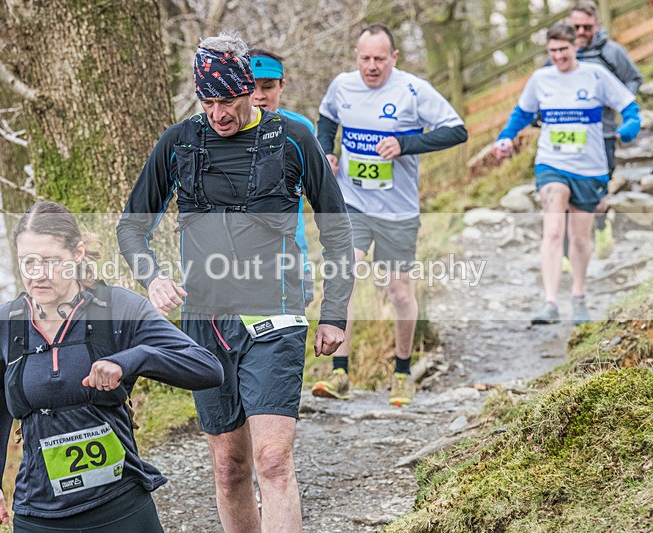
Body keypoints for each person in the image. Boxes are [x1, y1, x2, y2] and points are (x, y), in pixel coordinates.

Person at [117, 33, 354, 533]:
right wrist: (153, 278)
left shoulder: (293, 137)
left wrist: (335, 311)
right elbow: (131, 227)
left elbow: (336, 227)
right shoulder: (179, 142)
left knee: (271, 460)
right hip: (205, 322)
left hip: (278, 313)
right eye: (207, 101)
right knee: (230, 469)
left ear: (250, 91)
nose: (218, 113)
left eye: (227, 100)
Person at [0, 201, 223, 532]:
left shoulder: (118, 308)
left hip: (120, 507)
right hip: (40, 514)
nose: (37, 275)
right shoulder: (9, 322)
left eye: (50, 262)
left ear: (77, 254)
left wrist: (131, 360)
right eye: (28, 262)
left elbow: (207, 367)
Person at [312, 24, 467, 405]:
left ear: (394, 58)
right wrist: (326, 151)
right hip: (353, 202)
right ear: (356, 56)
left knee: (399, 292)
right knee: (342, 275)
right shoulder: (343, 85)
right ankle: (339, 373)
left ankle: (402, 372)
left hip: (398, 210)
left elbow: (457, 130)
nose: (371, 66)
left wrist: (406, 144)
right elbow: (326, 118)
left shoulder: (413, 90)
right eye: (365, 58)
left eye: (380, 58)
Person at [493, 23, 640, 325]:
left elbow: (628, 105)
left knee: (579, 237)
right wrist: (505, 137)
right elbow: (521, 113)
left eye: (563, 50)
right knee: (553, 231)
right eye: (552, 51)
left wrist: (630, 125)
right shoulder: (541, 79)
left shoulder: (595, 75)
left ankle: (579, 296)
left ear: (575, 47)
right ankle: (550, 302)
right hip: (551, 163)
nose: (558, 56)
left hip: (589, 168)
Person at [564, 1, 643, 259]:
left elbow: (634, 78)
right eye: (576, 26)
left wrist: (619, 101)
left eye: (587, 26)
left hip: (604, 134)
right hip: (566, 136)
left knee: (596, 195)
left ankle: (600, 225)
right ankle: (566, 254)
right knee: (563, 192)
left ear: (597, 25)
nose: (582, 32)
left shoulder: (612, 52)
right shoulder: (560, 54)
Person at [250, 48, 316, 305]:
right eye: (251, 87)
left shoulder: (301, 131)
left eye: (268, 87)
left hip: (289, 257)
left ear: (282, 86)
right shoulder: (223, 132)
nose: (259, 96)